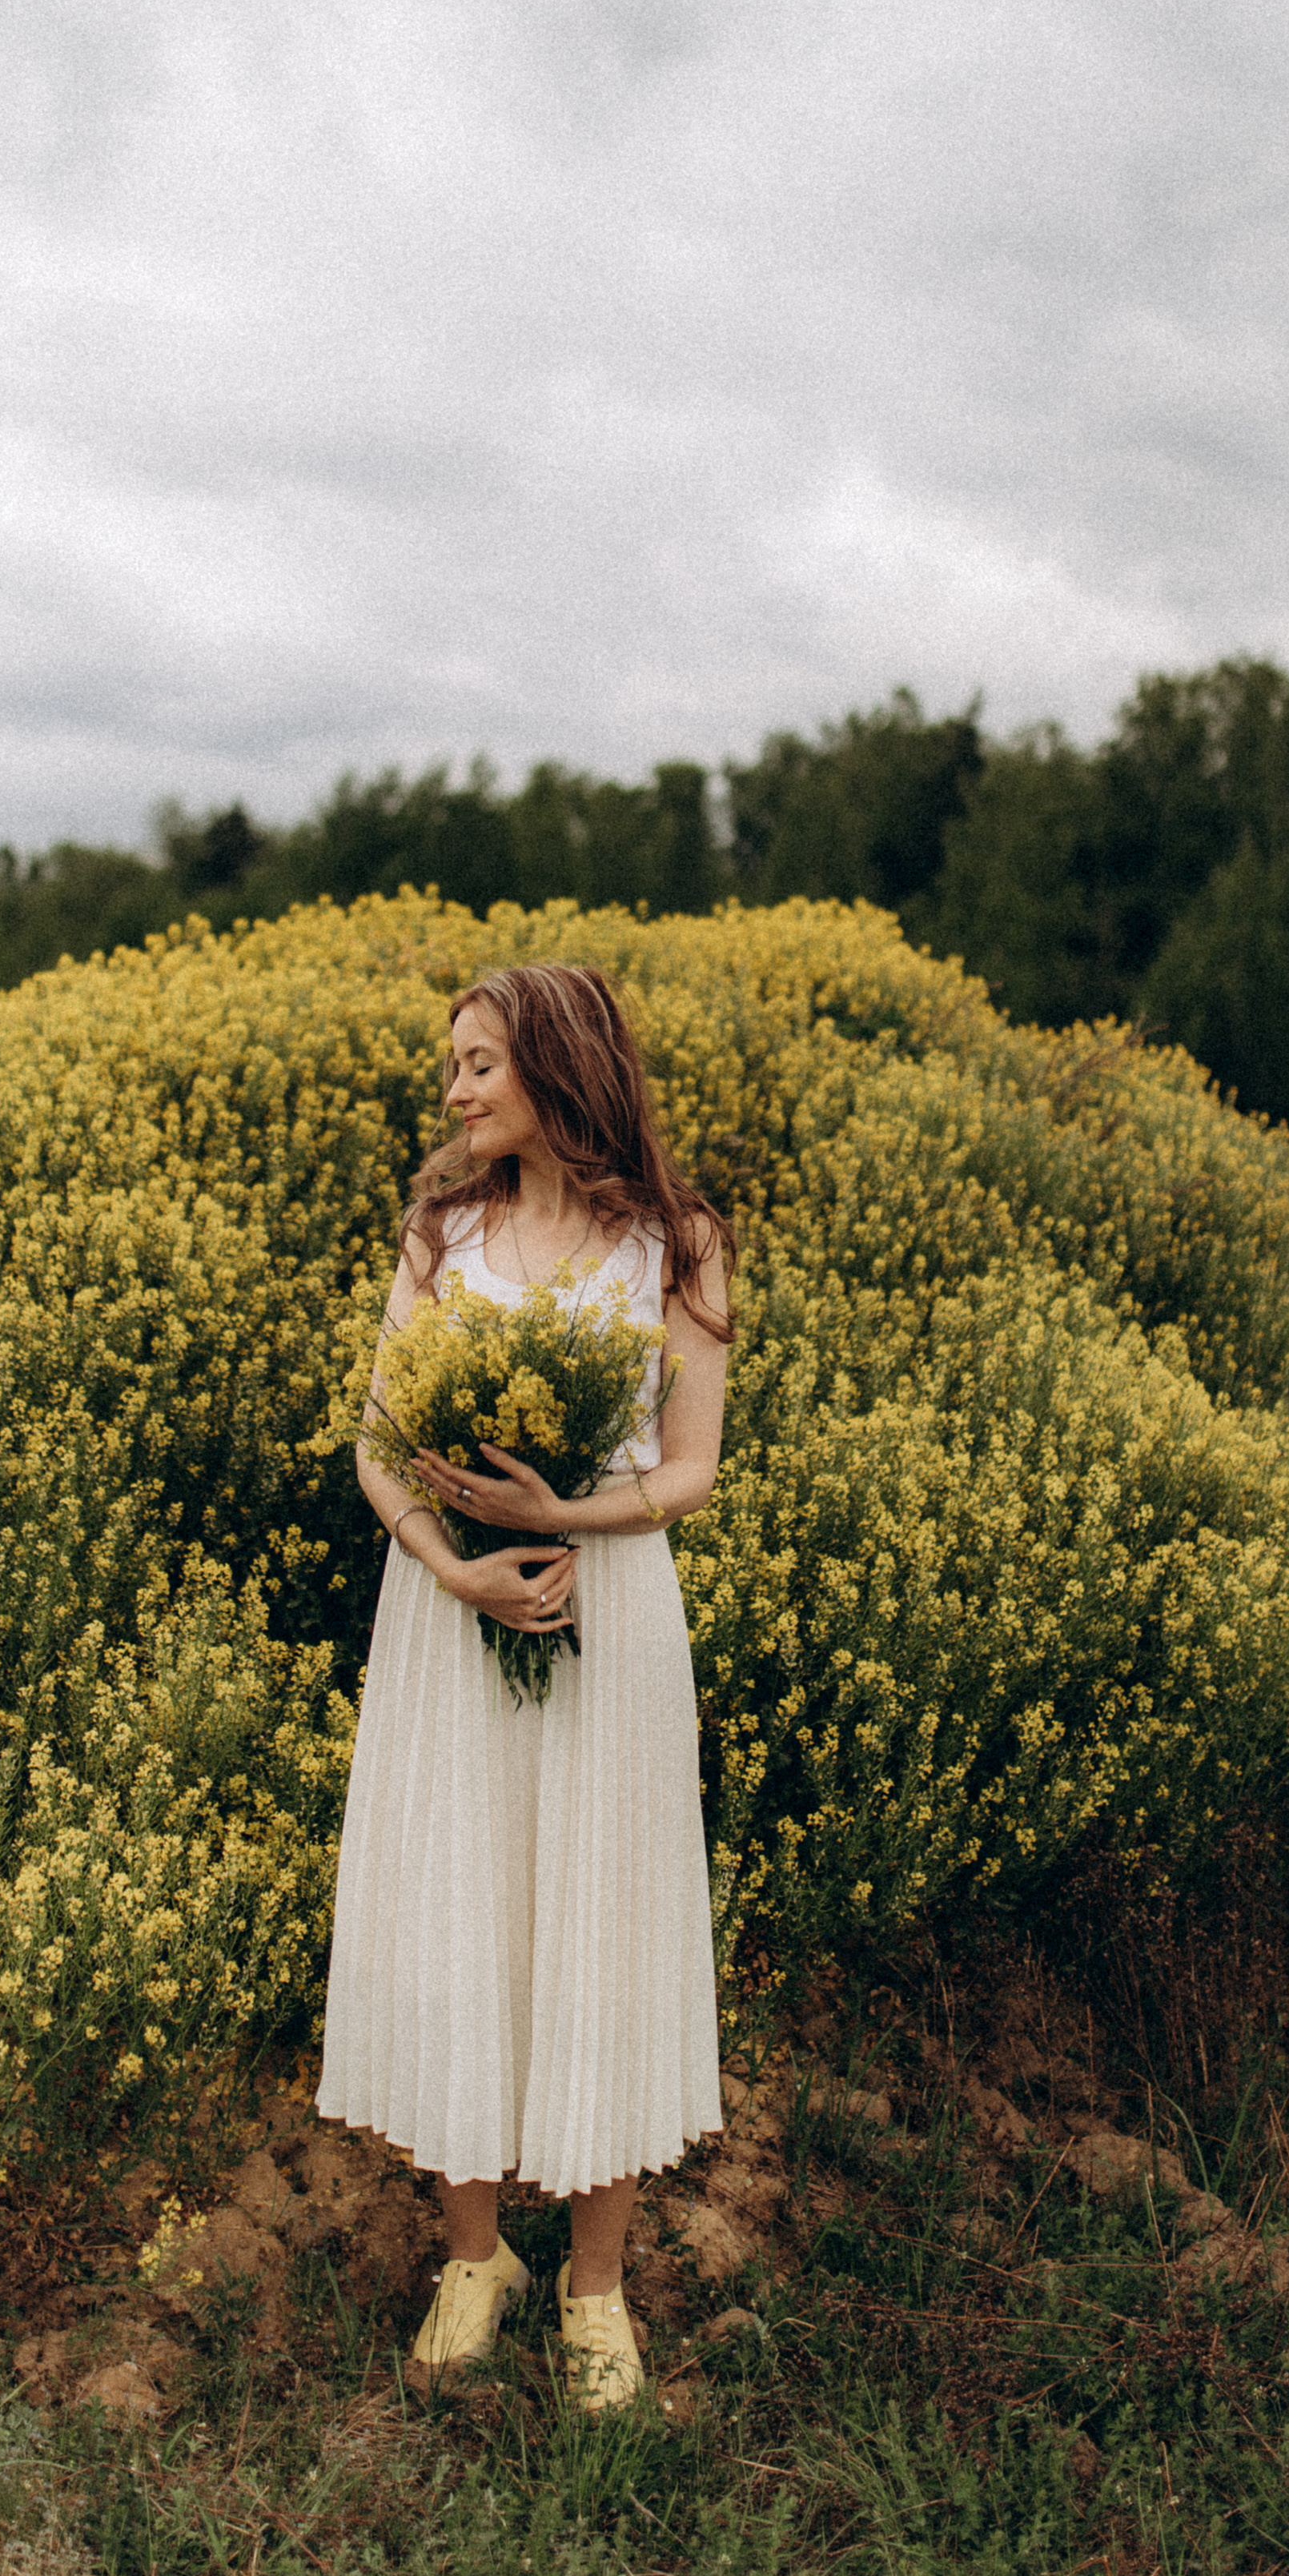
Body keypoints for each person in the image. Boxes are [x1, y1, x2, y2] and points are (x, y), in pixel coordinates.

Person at [316, 960, 733, 2412]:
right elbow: (378, 1445)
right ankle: (475, 2258)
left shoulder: (676, 1243)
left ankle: (599, 2289)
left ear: (555, 1067)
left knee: (602, 1921)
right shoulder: (444, 1233)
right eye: (456, 1063)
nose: (455, 1089)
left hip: (607, 1617)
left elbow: (689, 1468)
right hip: (454, 1620)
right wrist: (457, 1567)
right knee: (461, 1914)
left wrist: (562, 1525)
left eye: (478, 1062)